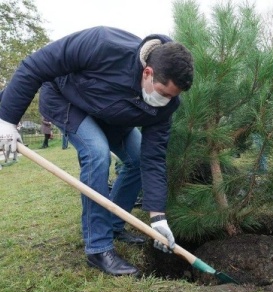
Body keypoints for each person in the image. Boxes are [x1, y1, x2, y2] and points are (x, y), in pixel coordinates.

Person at [0, 26, 194, 277]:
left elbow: (153, 158)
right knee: (97, 153)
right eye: (164, 93)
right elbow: (36, 65)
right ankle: (98, 248)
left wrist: (158, 217)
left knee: (135, 161)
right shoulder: (102, 44)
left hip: (112, 117)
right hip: (66, 100)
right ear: (148, 72)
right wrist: (6, 118)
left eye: (173, 96)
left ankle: (113, 225)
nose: (167, 101)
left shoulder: (167, 105)